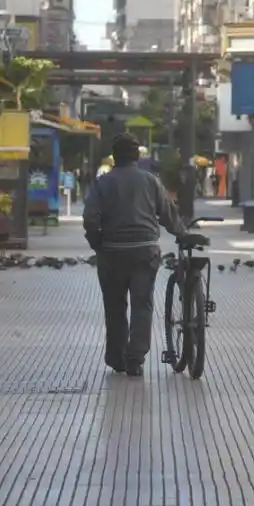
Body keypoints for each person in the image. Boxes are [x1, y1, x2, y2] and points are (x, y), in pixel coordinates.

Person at [83, 133, 193, 377]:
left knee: (114, 305)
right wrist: (182, 233)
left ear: (114, 157)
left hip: (112, 252)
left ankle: (116, 357)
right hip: (145, 250)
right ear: (136, 157)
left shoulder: (103, 182)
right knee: (142, 303)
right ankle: (135, 358)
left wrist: (97, 242)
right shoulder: (150, 181)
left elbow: (90, 218)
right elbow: (167, 213)